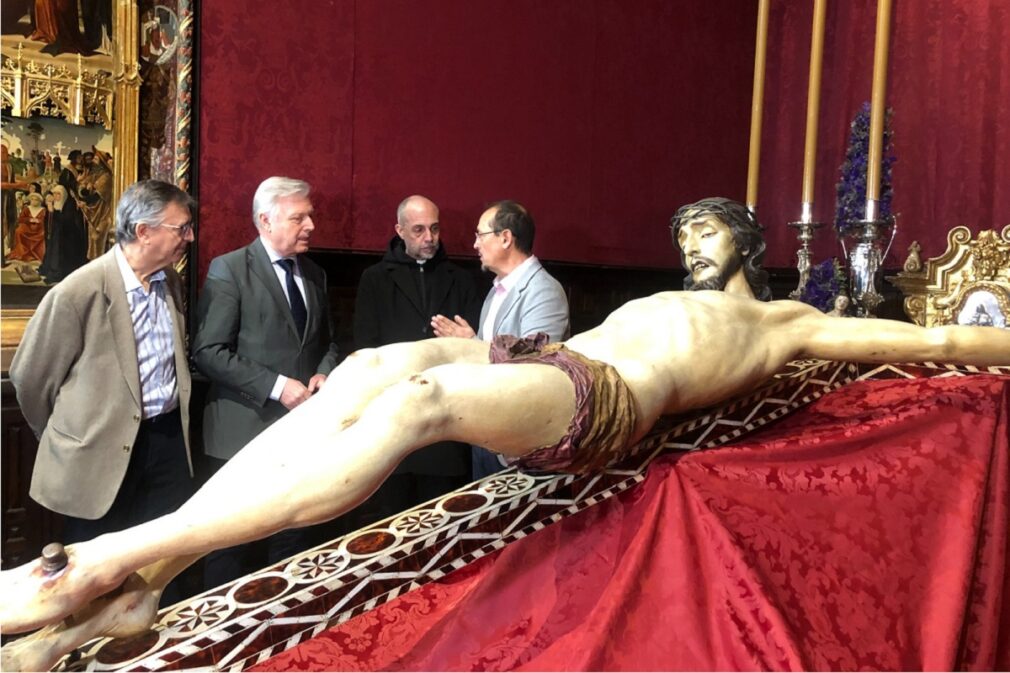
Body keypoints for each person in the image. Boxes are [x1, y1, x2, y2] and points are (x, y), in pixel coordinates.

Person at [4, 198, 1010, 673]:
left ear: (748, 242)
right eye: (684, 230)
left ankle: (118, 560)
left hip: (601, 401)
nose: (686, 240)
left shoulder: (790, 322)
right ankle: (152, 569)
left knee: (413, 411)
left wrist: (988, 338)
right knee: (365, 371)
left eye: (705, 229)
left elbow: (925, 337)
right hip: (545, 362)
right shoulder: (667, 296)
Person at [7, 179, 196, 610]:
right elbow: (31, 378)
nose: (189, 237)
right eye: (180, 228)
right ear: (143, 231)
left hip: (166, 442)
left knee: (163, 558)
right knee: (96, 572)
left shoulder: (171, 284)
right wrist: (70, 438)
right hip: (100, 453)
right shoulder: (79, 292)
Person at [192, 176, 340, 589]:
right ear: (265, 220)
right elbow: (208, 351)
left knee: (293, 542)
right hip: (242, 435)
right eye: (299, 217)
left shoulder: (315, 274)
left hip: (301, 434)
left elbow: (328, 342)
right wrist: (278, 386)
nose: (310, 225)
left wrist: (324, 372)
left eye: (310, 216)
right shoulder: (230, 268)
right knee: (230, 548)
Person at [353, 195, 481, 522]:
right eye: (419, 230)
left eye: (435, 229)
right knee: (392, 520)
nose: (429, 238)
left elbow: (475, 349)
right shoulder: (375, 279)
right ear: (400, 230)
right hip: (395, 418)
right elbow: (365, 348)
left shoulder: (462, 279)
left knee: (445, 520)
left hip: (447, 418)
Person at [431, 200, 570, 478]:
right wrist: (472, 341)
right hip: (489, 435)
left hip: (521, 442)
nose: (474, 244)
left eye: (480, 235)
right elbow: (492, 353)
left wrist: (474, 346)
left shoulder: (544, 291)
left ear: (505, 238)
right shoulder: (496, 291)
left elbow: (534, 367)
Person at [37, 184, 88, 283]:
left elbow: (67, 221)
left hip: (67, 238)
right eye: (54, 194)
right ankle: (48, 269)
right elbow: (49, 220)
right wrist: (50, 212)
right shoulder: (55, 203)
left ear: (63, 195)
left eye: (58, 194)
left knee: (57, 251)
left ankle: (56, 274)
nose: (56, 196)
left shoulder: (69, 205)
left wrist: (53, 212)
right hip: (57, 234)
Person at [8, 191, 47, 263]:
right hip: (27, 228)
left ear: (39, 201)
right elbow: (21, 219)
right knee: (18, 231)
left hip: (39, 230)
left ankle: (36, 254)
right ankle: (23, 253)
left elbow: (45, 221)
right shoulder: (27, 208)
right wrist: (29, 219)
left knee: (43, 233)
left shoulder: (43, 210)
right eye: (32, 199)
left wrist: (38, 221)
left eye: (36, 200)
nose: (34, 201)